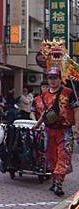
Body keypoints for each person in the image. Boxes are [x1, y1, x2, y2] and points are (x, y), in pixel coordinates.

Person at [33, 67, 79, 196]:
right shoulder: (43, 95)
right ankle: (54, 180)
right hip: (49, 130)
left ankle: (59, 184)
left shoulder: (68, 92)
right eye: (50, 78)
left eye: (55, 78)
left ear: (60, 79)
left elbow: (76, 110)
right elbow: (44, 114)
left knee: (63, 156)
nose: (53, 80)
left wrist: (77, 129)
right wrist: (36, 125)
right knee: (51, 157)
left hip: (65, 131)